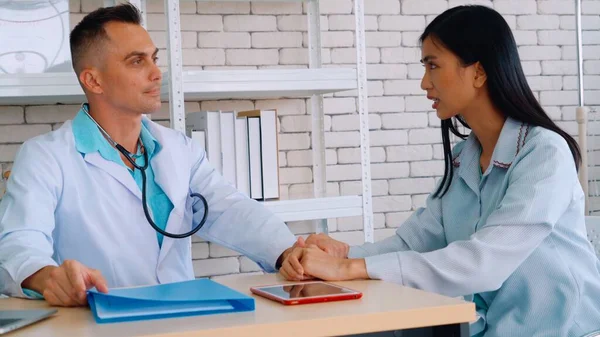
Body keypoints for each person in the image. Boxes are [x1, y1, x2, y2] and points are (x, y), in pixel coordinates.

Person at [280, 5, 600, 337]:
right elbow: (414, 242)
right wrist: (334, 256)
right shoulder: (465, 158)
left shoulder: (544, 153)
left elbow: (485, 262)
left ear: (478, 72)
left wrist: (347, 268)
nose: (423, 82)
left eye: (433, 65)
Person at [0, 4, 298, 307]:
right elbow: (19, 245)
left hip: (185, 318)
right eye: (136, 61)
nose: (157, 73)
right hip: (100, 325)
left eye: (154, 59)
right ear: (93, 81)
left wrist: (290, 252)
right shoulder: (45, 156)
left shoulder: (179, 149)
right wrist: (51, 278)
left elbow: (231, 210)